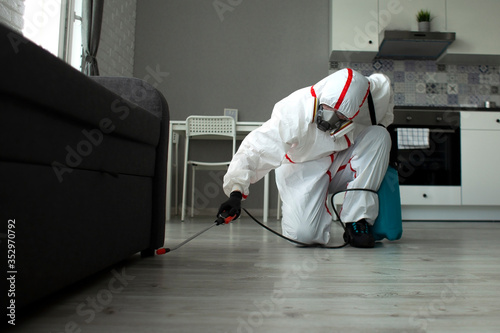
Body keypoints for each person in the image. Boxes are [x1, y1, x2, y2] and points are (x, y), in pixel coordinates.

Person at [217, 68, 394, 248]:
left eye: (340, 115)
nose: (330, 117)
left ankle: (357, 221)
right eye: (327, 108)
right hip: (301, 168)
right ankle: (311, 219)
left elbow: (384, 87)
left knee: (379, 135)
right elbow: (255, 149)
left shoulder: (370, 97)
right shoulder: (293, 112)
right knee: (303, 236)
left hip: (340, 162)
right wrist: (236, 192)